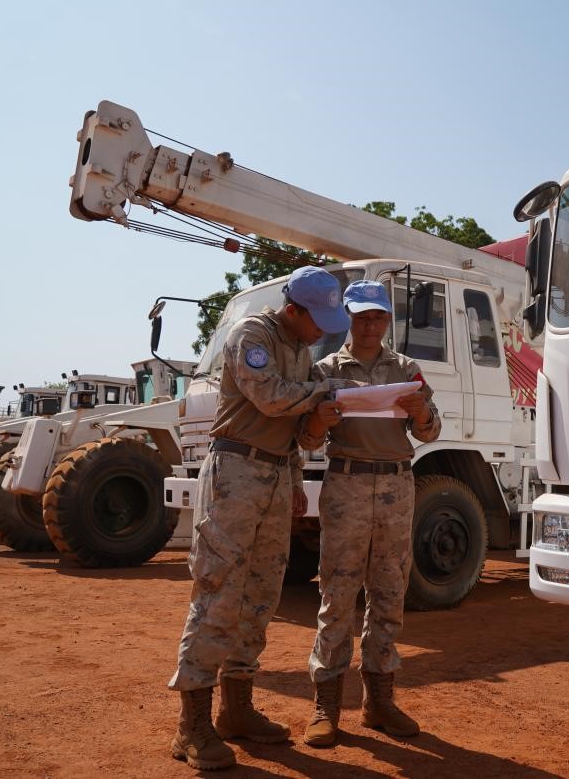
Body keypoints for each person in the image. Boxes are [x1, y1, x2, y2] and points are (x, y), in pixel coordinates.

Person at [168, 265, 352, 772]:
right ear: (293, 309)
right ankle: (192, 727)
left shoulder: (302, 350)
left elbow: (305, 437)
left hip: (274, 477)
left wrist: (314, 432)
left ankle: (237, 710)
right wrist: (322, 398)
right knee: (218, 591)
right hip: (235, 473)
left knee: (260, 595)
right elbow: (270, 398)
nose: (324, 330)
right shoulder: (253, 334)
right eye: (318, 320)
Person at [296, 280, 441, 747]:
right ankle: (326, 706)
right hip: (347, 482)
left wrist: (421, 413)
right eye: (362, 316)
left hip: (397, 484)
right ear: (349, 319)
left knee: (389, 591)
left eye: (378, 316)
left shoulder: (406, 368)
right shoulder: (325, 369)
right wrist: (318, 420)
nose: (370, 324)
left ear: (387, 320)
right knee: (337, 592)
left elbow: (431, 433)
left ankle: (379, 701)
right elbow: (307, 439)